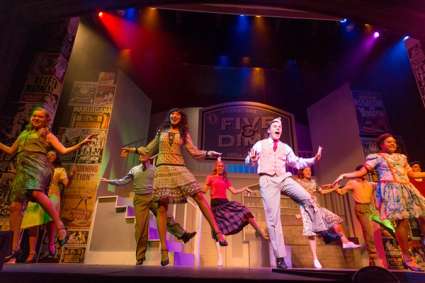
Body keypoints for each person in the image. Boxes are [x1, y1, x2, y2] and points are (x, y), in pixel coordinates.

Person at [121, 108, 225, 266]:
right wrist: (133, 150)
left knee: (198, 194)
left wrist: (210, 153)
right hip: (162, 169)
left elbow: (194, 152)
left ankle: (217, 232)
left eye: (177, 114)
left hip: (179, 168)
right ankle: (164, 250)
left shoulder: (184, 134)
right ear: (169, 116)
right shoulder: (161, 131)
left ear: (181, 118)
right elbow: (148, 150)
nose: (174, 116)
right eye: (172, 114)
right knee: (162, 208)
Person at [0, 106, 95, 264]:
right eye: (34, 116)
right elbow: (10, 150)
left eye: (40, 117)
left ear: (46, 120)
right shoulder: (24, 133)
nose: (36, 119)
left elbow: (63, 150)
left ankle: (59, 225)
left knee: (36, 193)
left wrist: (81, 143)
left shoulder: (47, 134)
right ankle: (13, 250)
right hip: (22, 171)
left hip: (38, 167)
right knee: (15, 208)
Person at [334, 133, 425, 271]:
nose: (393, 144)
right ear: (381, 144)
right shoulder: (377, 157)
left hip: (406, 188)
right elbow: (361, 172)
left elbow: (412, 174)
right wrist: (344, 175)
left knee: (416, 216)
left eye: (394, 142)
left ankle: (412, 251)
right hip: (391, 189)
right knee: (402, 222)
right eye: (389, 142)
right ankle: (407, 257)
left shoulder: (402, 157)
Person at [245, 117, 327, 270]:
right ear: (269, 130)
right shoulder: (260, 144)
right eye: (275, 126)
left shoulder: (285, 147)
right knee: (273, 220)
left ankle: (322, 230)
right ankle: (280, 258)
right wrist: (252, 159)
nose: (278, 128)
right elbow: (248, 160)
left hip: (283, 178)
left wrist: (313, 160)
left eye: (280, 127)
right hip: (267, 180)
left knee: (308, 198)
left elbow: (296, 162)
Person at [100, 153, 197, 265]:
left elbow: (163, 182)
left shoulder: (155, 170)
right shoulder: (134, 169)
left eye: (143, 154)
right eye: (140, 155)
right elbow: (123, 181)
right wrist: (109, 181)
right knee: (140, 228)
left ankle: (183, 235)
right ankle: (140, 257)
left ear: (149, 158)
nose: (141, 156)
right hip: (140, 200)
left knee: (166, 217)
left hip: (152, 196)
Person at [295, 167, 360, 269]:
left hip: (318, 208)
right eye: (306, 170)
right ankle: (315, 258)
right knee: (311, 234)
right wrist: (300, 213)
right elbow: (296, 196)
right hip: (307, 209)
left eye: (310, 170)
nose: (309, 172)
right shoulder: (298, 182)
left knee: (335, 219)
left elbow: (321, 191)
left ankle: (345, 242)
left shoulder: (313, 182)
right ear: (301, 171)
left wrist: (332, 188)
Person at [20, 150, 73, 263]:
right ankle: (32, 252)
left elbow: (67, 184)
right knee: (32, 222)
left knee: (51, 220)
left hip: (52, 195)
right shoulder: (39, 168)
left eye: (53, 155)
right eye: (48, 154)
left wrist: (72, 176)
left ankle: (51, 243)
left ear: (56, 157)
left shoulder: (59, 170)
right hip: (38, 194)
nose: (50, 156)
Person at [204, 159, 269, 239]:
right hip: (215, 205)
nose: (220, 167)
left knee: (245, 211)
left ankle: (259, 232)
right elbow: (204, 191)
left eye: (222, 166)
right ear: (216, 167)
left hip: (225, 203)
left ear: (224, 168)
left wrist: (244, 188)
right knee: (218, 228)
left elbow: (234, 191)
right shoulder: (210, 178)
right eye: (219, 166)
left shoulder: (225, 180)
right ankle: (220, 240)